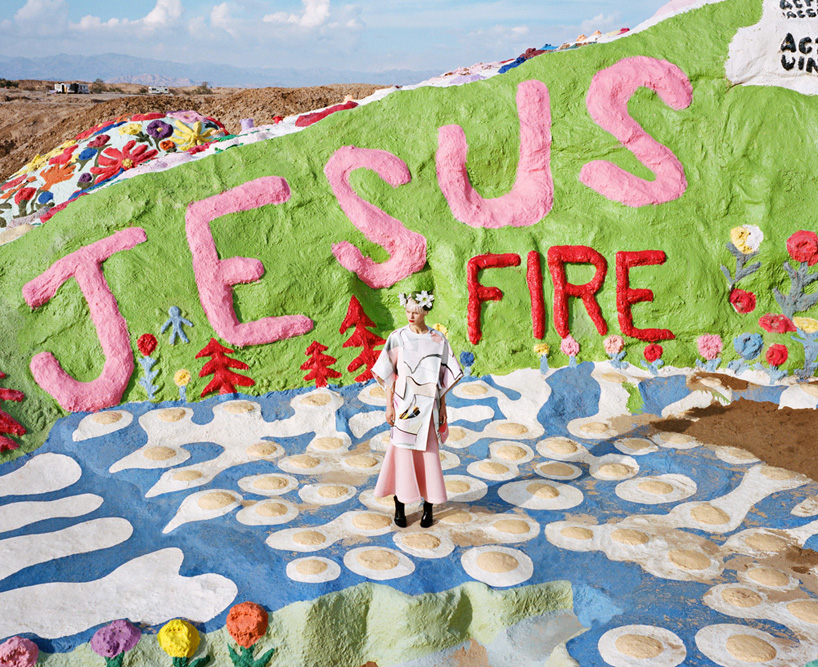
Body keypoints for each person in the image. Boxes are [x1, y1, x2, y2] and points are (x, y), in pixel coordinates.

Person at [372, 290, 463, 528]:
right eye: (408, 310)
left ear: (426, 311)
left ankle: (428, 507)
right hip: (403, 407)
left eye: (416, 311)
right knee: (402, 453)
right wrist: (388, 405)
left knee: (428, 457)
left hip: (430, 408)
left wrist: (443, 406)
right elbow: (389, 373)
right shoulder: (397, 337)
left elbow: (443, 376)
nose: (410, 315)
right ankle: (400, 505)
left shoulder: (438, 340)